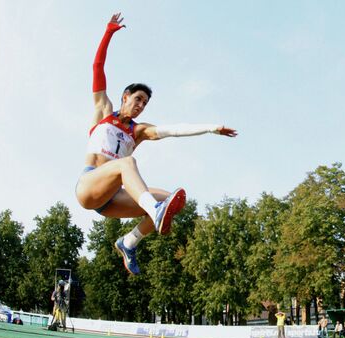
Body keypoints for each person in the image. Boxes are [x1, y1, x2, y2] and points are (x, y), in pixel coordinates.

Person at [76, 13, 237, 275]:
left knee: (171, 199)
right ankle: (155, 211)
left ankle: (128, 242)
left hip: (112, 199)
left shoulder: (138, 131)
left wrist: (211, 128)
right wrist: (108, 33)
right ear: (125, 97)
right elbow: (97, 67)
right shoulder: (103, 111)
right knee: (128, 164)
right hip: (89, 185)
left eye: (145, 104)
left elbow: (174, 130)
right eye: (137, 99)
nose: (140, 106)